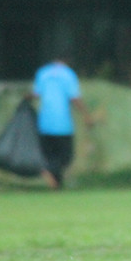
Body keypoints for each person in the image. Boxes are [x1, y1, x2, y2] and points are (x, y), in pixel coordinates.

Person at [29, 57, 93, 190]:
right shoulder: (68, 74)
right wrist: (86, 115)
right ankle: (46, 170)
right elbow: (74, 97)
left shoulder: (42, 73)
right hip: (63, 125)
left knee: (50, 156)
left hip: (44, 124)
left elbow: (35, 94)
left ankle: (56, 187)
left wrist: (26, 99)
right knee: (65, 158)